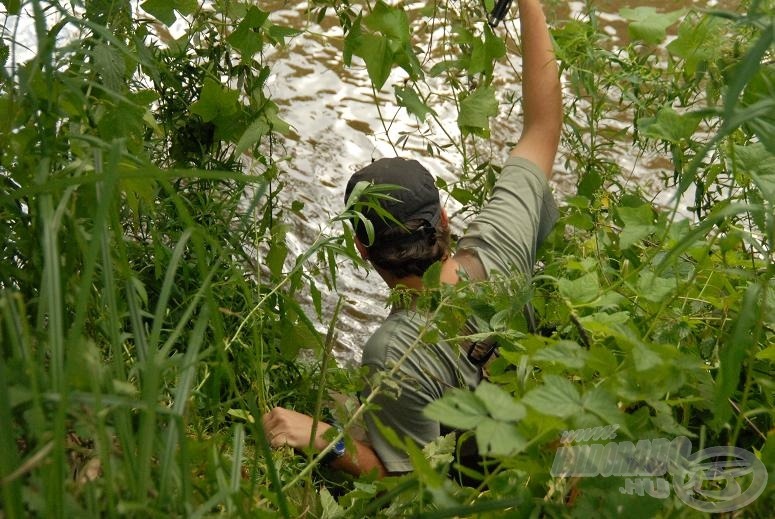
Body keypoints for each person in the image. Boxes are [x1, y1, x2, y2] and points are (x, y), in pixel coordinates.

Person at [262, 0, 562, 478]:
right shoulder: (501, 241)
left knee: (338, 411)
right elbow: (543, 125)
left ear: (362, 249)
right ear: (443, 219)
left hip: (490, 481)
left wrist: (326, 440)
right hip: (552, 426)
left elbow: (406, 481)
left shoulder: (391, 354)